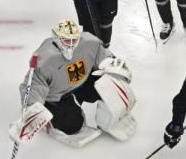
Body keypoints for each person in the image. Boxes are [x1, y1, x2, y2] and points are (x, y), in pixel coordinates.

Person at [9, 19, 136, 147]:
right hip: (59, 97)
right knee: (72, 125)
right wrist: (32, 112)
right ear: (56, 37)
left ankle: (111, 118)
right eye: (66, 40)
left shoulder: (89, 43)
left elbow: (102, 55)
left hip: (83, 84)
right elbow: (34, 86)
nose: (70, 45)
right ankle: (51, 121)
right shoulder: (44, 59)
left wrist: (111, 62)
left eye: (74, 40)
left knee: (112, 83)